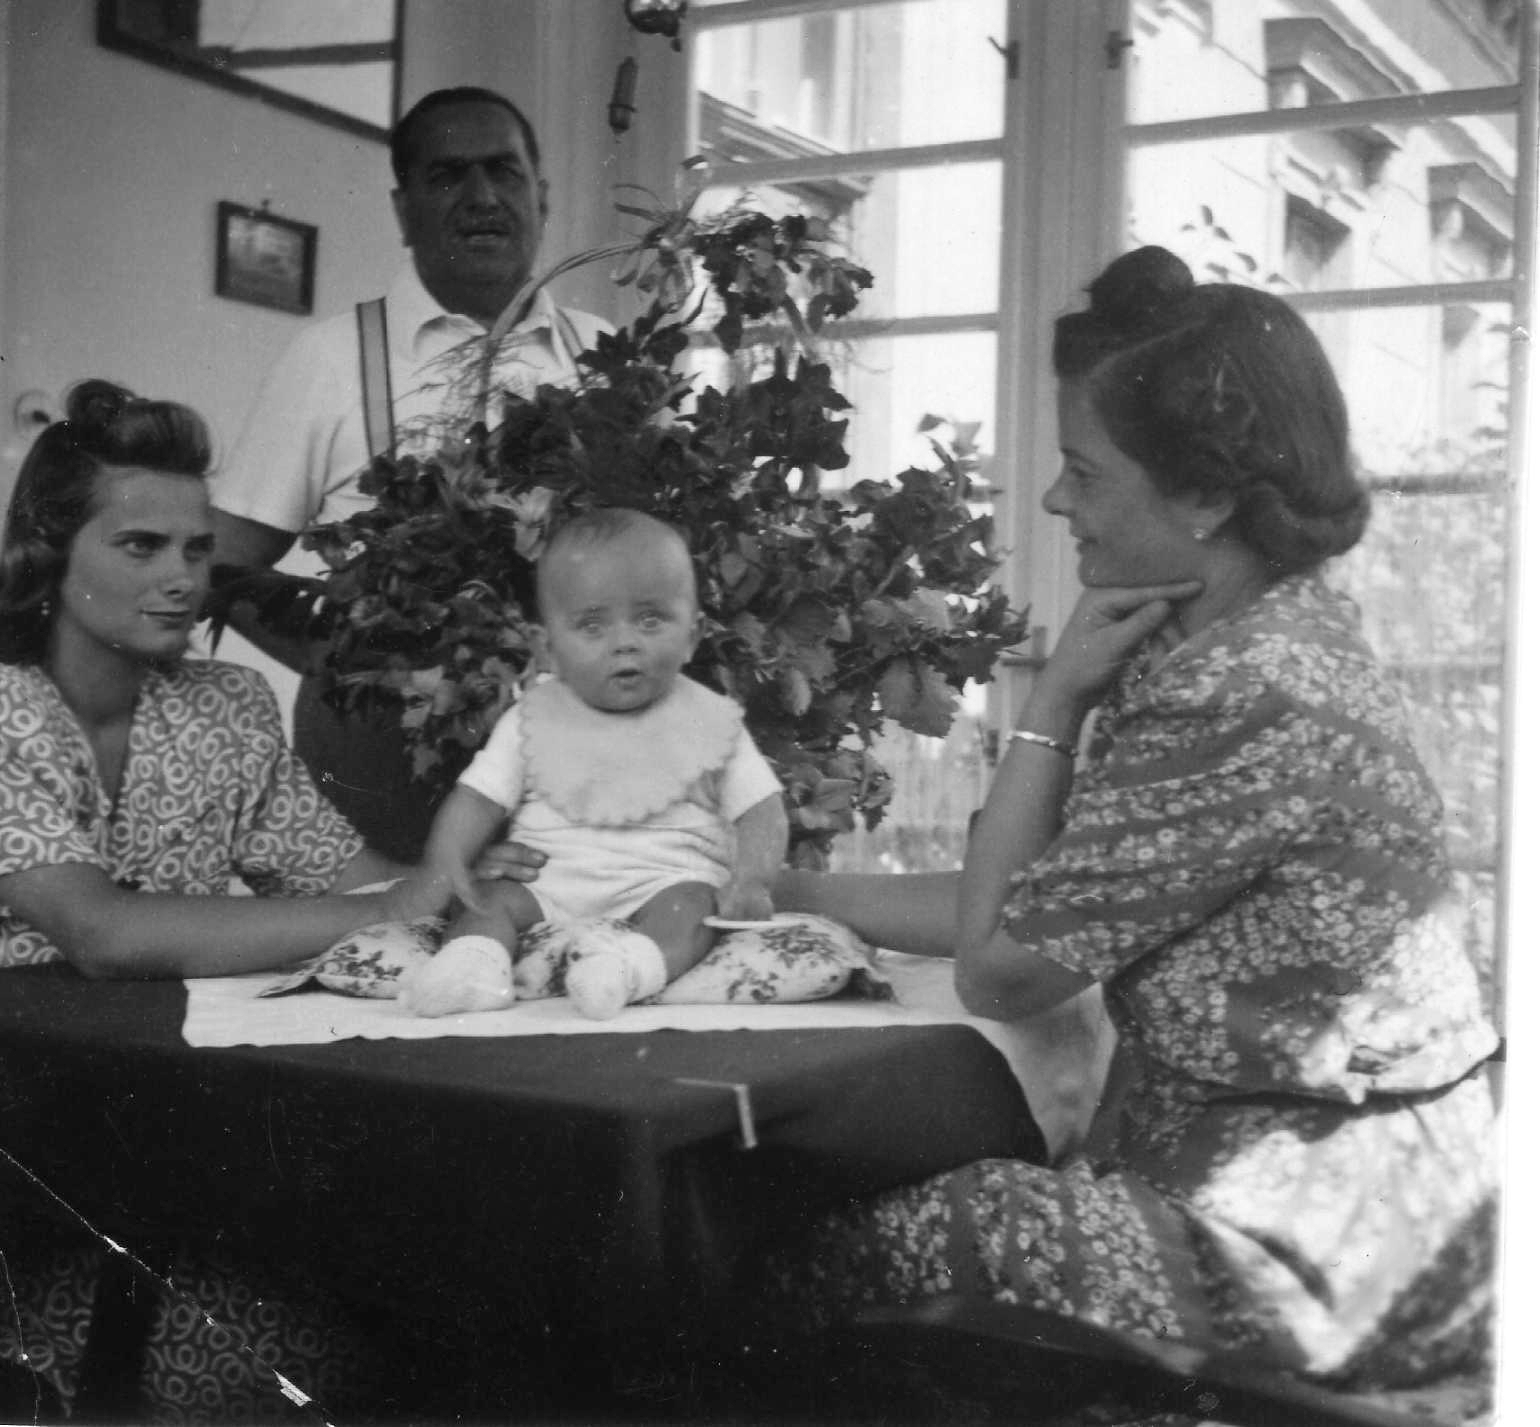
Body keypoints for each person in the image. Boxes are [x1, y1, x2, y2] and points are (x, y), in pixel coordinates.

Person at [762, 246, 1499, 1403]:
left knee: (807, 1249)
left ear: (1205, 495)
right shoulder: (1224, 631)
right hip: (1307, 1188)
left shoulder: (1249, 686)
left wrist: (1049, 703)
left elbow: (999, 968)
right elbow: (1047, 895)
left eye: (1080, 469)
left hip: (1329, 1244)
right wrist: (781, 896)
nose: (1056, 500)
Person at [0, 380, 537, 1418]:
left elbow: (348, 873)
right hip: (28, 1186)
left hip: (168, 1146)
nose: (180, 580)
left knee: (454, 1278)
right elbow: (100, 933)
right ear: (49, 553)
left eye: (199, 552)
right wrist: (401, 904)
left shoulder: (229, 707)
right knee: (360, 1341)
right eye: (141, 546)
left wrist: (483, 872)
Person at [209, 86, 610, 861]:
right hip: (389, 774)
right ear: (402, 208)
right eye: (448, 176)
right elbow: (220, 562)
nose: (483, 197)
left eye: (505, 171)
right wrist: (356, 661)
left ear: (543, 194)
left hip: (585, 773)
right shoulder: (328, 360)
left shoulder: (604, 357)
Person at [407, 508, 789, 1021]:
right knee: (488, 902)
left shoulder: (710, 722)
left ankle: (626, 969)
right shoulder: (529, 720)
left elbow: (761, 810)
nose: (625, 641)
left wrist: (752, 879)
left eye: (650, 618)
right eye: (592, 624)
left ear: (694, 634)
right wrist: (447, 860)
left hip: (664, 883)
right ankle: (471, 969)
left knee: (695, 906)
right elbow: (478, 798)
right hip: (546, 887)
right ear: (547, 648)